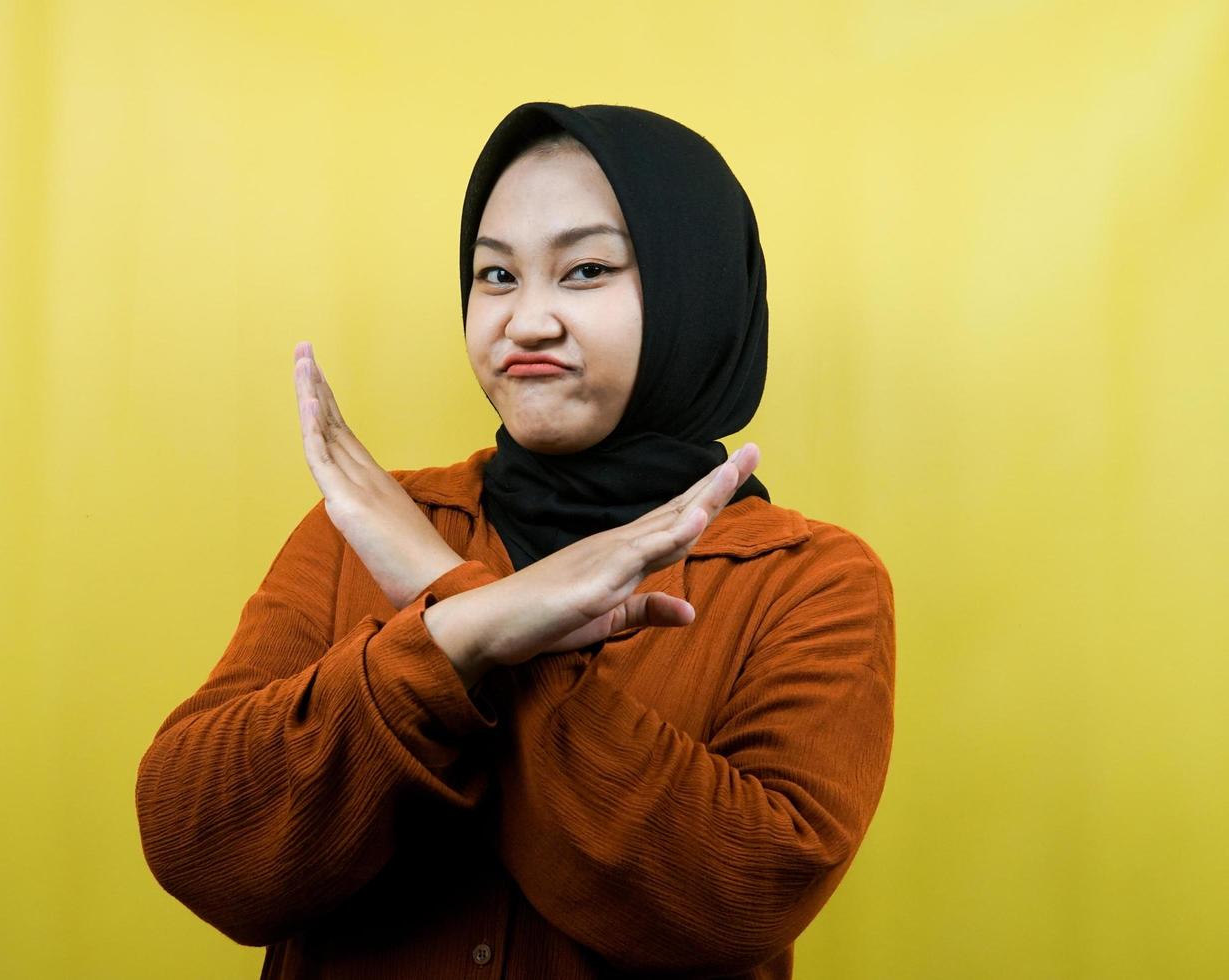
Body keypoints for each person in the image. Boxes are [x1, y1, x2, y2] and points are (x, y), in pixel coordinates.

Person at [135, 101, 896, 980]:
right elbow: (201, 841)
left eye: (585, 270)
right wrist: (467, 626)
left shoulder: (810, 582)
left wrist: (442, 594)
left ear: (698, 290)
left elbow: (734, 900)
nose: (526, 320)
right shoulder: (362, 521)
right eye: (495, 277)